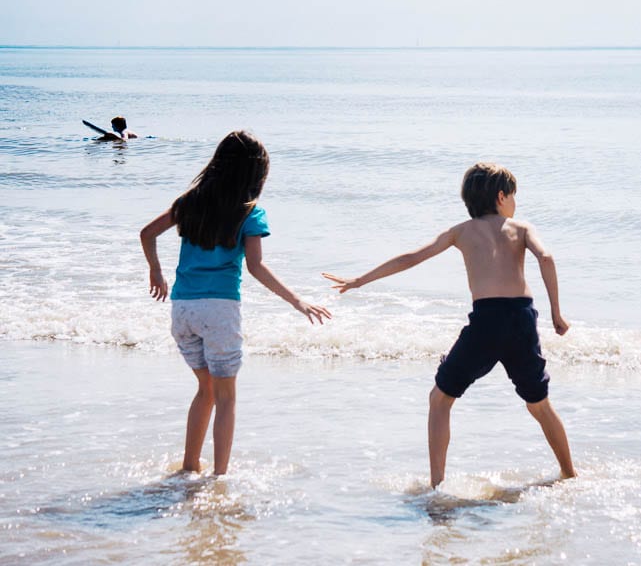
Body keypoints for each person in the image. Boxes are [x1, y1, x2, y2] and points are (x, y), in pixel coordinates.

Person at [323, 162, 576, 487]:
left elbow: (411, 257)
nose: (516, 203)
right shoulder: (522, 228)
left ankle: (437, 485)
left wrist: (361, 280)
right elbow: (547, 258)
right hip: (520, 321)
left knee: (440, 399)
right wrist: (556, 312)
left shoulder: (461, 231)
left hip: (485, 322)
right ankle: (569, 473)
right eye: (514, 196)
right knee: (538, 403)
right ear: (501, 196)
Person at [140, 130, 331, 475]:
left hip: (183, 309)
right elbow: (256, 267)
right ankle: (219, 476)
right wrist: (297, 301)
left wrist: (156, 272)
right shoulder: (250, 213)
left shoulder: (190, 202)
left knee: (206, 390)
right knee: (226, 397)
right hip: (220, 311)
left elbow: (147, 233)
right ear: (255, 175)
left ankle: (189, 467)